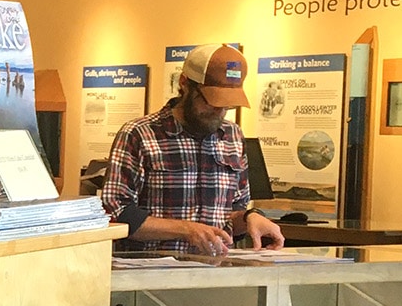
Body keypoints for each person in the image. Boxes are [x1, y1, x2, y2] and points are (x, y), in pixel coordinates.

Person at [99, 44, 285, 255]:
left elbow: (234, 211)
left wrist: (250, 217)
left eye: (228, 104)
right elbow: (116, 212)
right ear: (185, 84)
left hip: (214, 275)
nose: (220, 111)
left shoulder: (233, 136)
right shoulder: (139, 134)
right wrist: (185, 230)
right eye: (212, 100)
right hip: (150, 276)